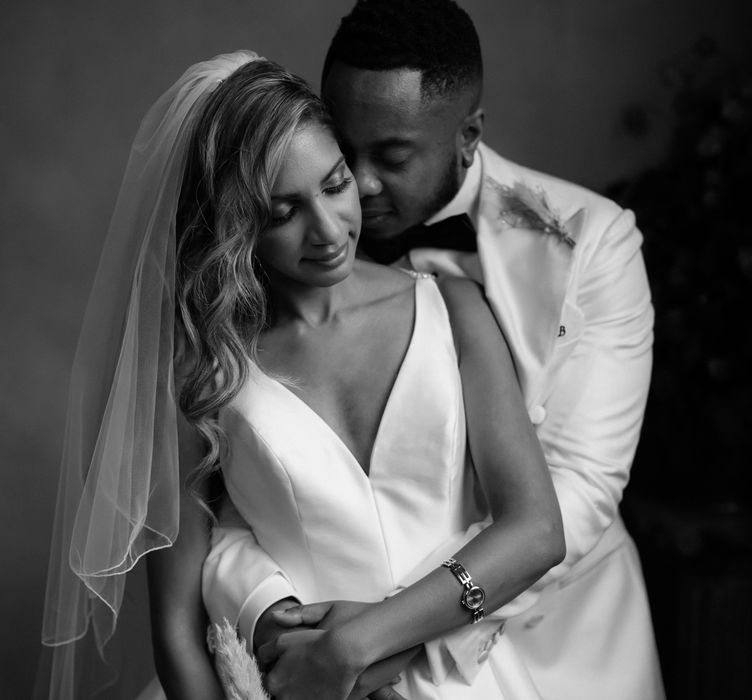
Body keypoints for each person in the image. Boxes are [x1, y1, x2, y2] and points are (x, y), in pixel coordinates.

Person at [38, 49, 565, 700]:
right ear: (234, 224)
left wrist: (353, 646)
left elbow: (537, 530)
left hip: (467, 678)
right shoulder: (203, 365)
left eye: (335, 183)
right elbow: (177, 629)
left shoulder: (453, 308)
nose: (328, 231)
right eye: (281, 212)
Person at [204, 1, 666, 699]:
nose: (355, 187)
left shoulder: (591, 243)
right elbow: (244, 489)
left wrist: (380, 634)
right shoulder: (275, 273)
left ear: (468, 136)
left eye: (390, 157)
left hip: (560, 638)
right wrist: (272, 612)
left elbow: (575, 495)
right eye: (341, 151)